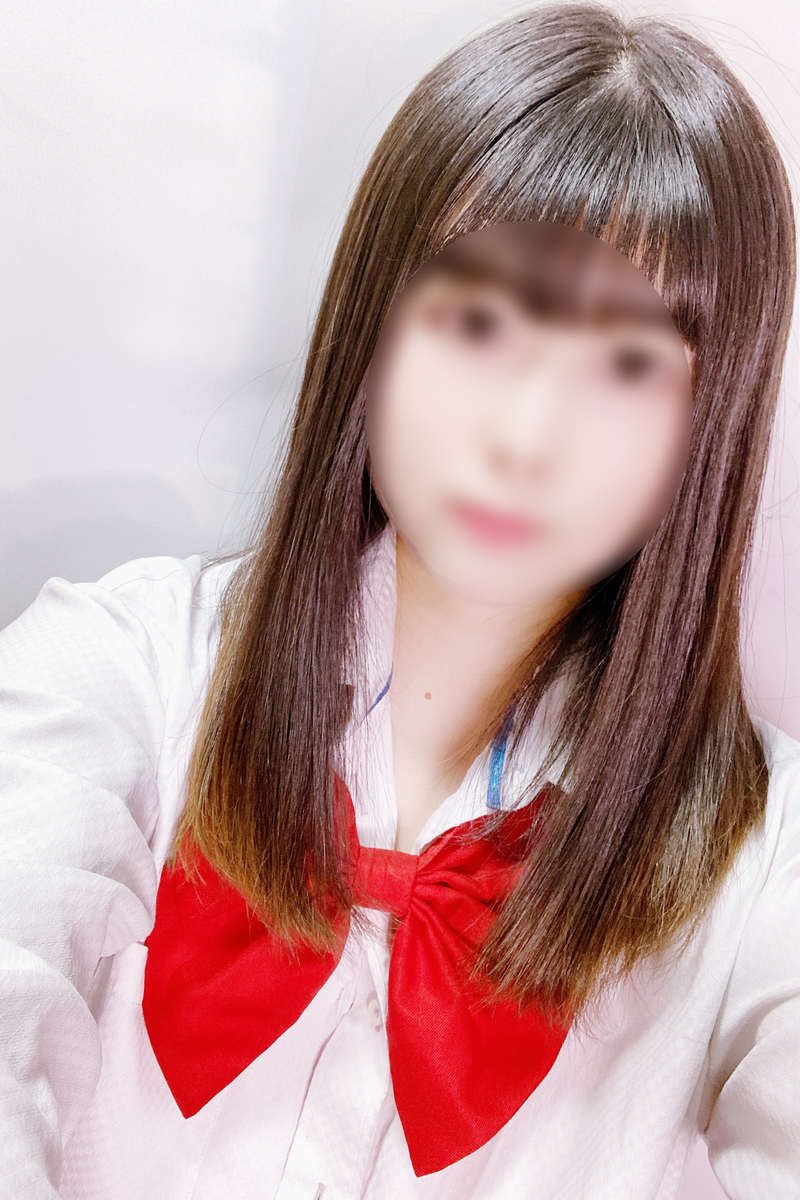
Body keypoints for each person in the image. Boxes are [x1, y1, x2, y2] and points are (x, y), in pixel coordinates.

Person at [0, 3, 797, 1198]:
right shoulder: (116, 673)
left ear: (710, 423)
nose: (525, 434)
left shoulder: (765, 862)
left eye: (629, 363)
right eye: (477, 321)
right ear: (371, 323)